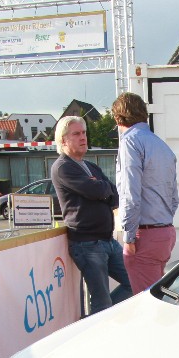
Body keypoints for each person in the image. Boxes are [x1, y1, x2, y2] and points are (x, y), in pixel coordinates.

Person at [50, 116, 132, 313]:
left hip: (107, 240)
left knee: (133, 282)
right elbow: (98, 190)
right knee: (102, 301)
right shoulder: (63, 167)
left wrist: (101, 189)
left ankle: (106, 317)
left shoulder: (91, 166)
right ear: (63, 140)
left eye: (84, 133)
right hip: (87, 243)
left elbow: (114, 195)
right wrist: (100, 189)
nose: (83, 137)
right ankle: (100, 322)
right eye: (76, 134)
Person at [112, 92, 178, 294]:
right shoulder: (162, 145)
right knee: (157, 295)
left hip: (144, 235)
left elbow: (130, 194)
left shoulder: (130, 142)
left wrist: (129, 237)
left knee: (146, 301)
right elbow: (174, 198)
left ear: (117, 118)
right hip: (165, 231)